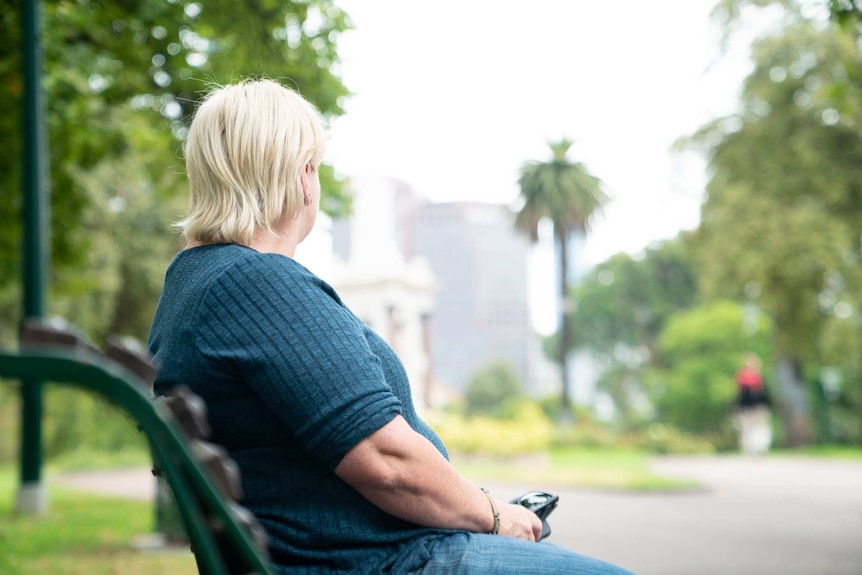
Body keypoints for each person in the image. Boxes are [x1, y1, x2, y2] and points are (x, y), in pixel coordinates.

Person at [147, 78, 636, 575]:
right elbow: (389, 464)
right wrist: (493, 515)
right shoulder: (258, 284)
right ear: (302, 177)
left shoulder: (195, 282)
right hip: (384, 561)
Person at [734, 353, 772, 456]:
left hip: (759, 407)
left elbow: (765, 394)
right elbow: (740, 394)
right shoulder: (742, 377)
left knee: (760, 427)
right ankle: (749, 450)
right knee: (747, 428)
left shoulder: (760, 377)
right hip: (746, 407)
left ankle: (761, 447)